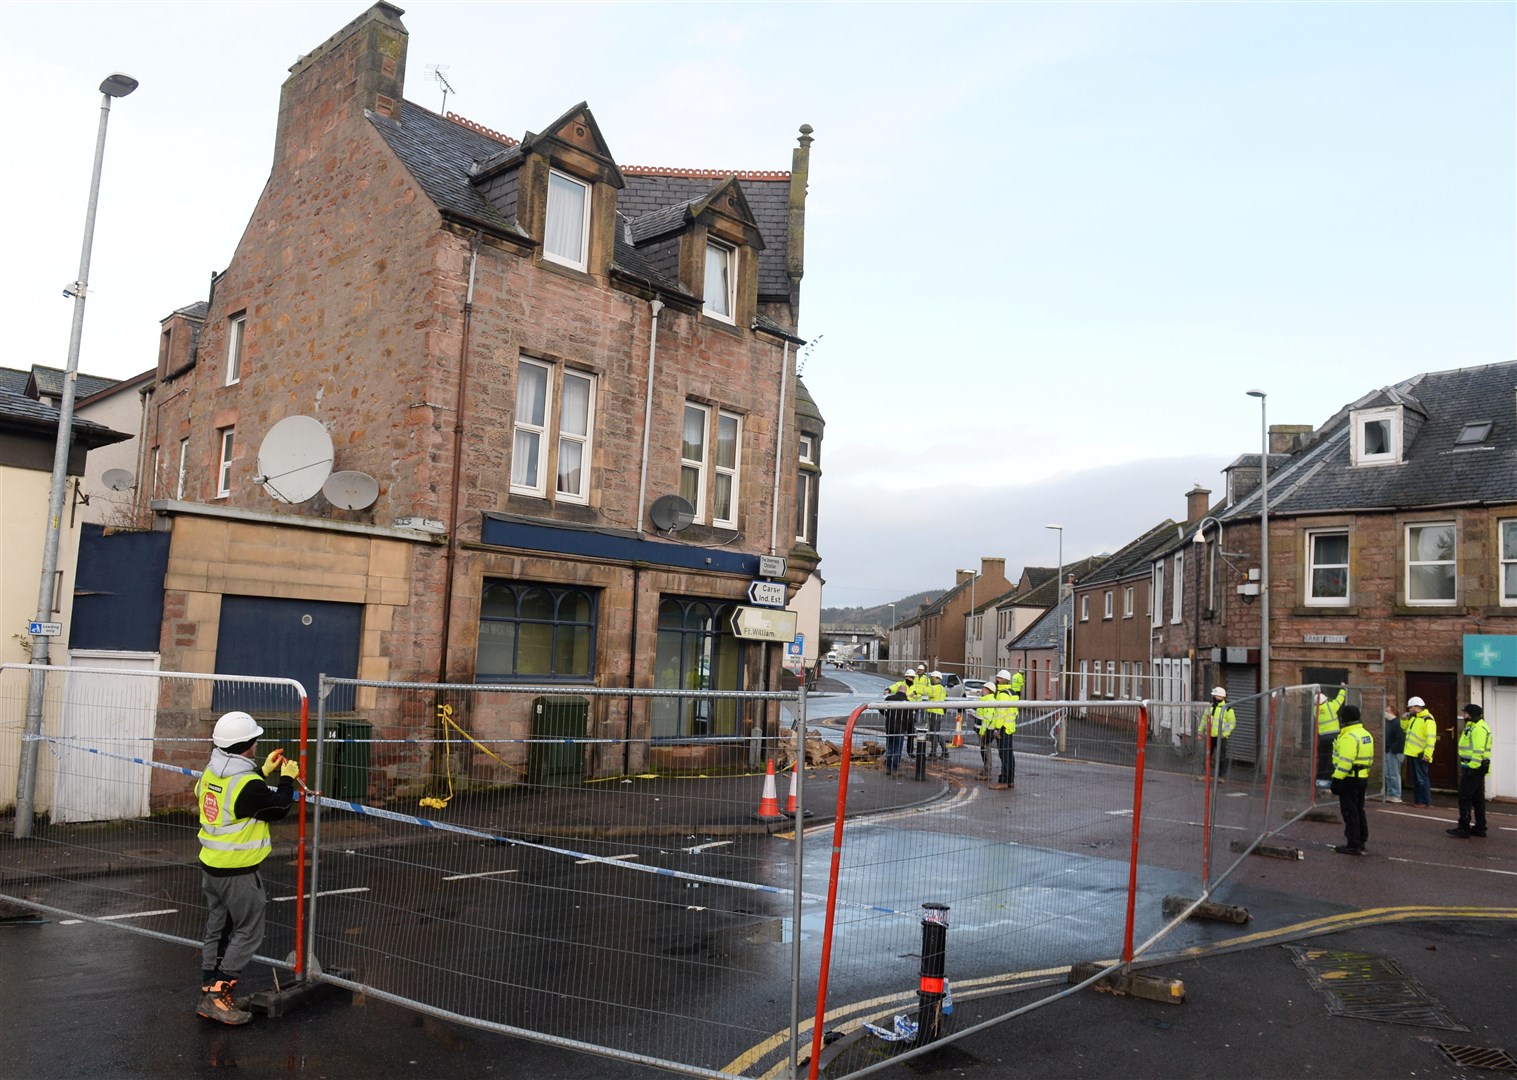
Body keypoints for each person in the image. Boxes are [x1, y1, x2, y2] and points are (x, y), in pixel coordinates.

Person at [195, 710, 300, 1025]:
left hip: (211, 866)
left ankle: (210, 987)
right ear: (247, 745)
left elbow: (233, 797)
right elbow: (278, 807)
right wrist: (286, 778)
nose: (257, 744)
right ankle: (217, 998)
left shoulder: (211, 772)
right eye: (255, 740)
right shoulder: (248, 784)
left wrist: (264, 772)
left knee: (219, 926)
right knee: (248, 931)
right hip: (238, 871)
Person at [1330, 704, 1374, 855]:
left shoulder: (1349, 736)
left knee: (1350, 811)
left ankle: (1352, 844)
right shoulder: (1365, 734)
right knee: (1359, 809)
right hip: (1362, 777)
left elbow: (1345, 761)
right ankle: (1361, 839)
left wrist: (1336, 779)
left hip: (1350, 779)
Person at [1448, 704, 1493, 838]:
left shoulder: (1478, 728)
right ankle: (1480, 827)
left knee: (1465, 798)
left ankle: (1464, 827)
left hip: (1473, 768)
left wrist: (1472, 768)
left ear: (1471, 714)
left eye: (1466, 713)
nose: (1464, 715)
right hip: (1475, 768)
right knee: (1477, 799)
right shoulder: (1473, 726)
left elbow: (1478, 751)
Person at [981, 669, 1020, 790]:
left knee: (1004, 755)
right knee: (1009, 755)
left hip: (1002, 728)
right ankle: (1010, 780)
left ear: (1003, 680)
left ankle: (1003, 781)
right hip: (1010, 727)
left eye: (998, 678)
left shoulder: (1003, 693)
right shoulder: (1012, 692)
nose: (997, 681)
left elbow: (1000, 714)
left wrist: (997, 729)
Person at [1401, 696, 1437, 808]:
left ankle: (1424, 802)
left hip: (1420, 754)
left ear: (1417, 707)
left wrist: (1427, 754)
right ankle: (1418, 801)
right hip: (1412, 752)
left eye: (1411, 707)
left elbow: (1431, 739)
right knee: (1417, 779)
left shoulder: (1428, 719)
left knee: (1422, 778)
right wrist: (1404, 719)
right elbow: (1405, 729)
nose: (1409, 709)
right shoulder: (1414, 718)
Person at [1314, 687, 1347, 789]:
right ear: (1325, 700)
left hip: (1323, 737)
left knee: (1323, 758)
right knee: (1333, 759)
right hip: (1334, 736)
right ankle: (1331, 781)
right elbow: (1340, 699)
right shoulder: (1331, 706)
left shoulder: (1315, 710)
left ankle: (1320, 781)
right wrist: (1342, 688)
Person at [1204, 687, 1236, 783]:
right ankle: (1205, 774)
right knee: (1207, 756)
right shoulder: (1210, 707)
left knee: (1222, 757)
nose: (1213, 697)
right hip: (1210, 736)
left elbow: (1232, 723)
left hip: (1221, 737)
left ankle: (1221, 776)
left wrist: (1224, 733)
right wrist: (1200, 732)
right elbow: (1204, 720)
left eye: (1214, 695)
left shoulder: (1227, 709)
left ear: (1220, 697)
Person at [881, 685, 910, 776]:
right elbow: (909, 718)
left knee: (890, 747)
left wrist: (886, 714)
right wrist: (909, 729)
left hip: (890, 726)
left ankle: (888, 768)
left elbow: (880, 707)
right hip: (901, 728)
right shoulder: (908, 702)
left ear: (897, 690)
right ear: (905, 692)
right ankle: (895, 769)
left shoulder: (890, 698)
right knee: (897, 749)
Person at [973, 681, 997, 781]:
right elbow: (981, 715)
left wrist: (982, 731)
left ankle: (987, 771)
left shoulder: (989, 701)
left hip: (986, 730)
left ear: (988, 691)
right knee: (983, 749)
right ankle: (985, 768)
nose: (982, 690)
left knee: (986, 750)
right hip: (981, 728)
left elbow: (987, 718)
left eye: (984, 688)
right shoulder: (984, 700)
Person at [1382, 706, 1406, 803]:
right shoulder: (1389, 723)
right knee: (1388, 774)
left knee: (1394, 774)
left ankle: (1396, 795)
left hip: (1394, 752)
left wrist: (1393, 750)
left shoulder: (1397, 723)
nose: (1385, 713)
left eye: (1387, 711)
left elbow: (1400, 738)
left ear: (1393, 712)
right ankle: (1390, 793)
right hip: (1389, 751)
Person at [925, 671, 948, 758]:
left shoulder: (936, 688)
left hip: (934, 713)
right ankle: (945, 751)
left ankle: (933, 753)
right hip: (938, 712)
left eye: (932, 678)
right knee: (937, 733)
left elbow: (926, 691)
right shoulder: (942, 688)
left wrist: (916, 691)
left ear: (937, 678)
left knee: (933, 733)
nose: (931, 680)